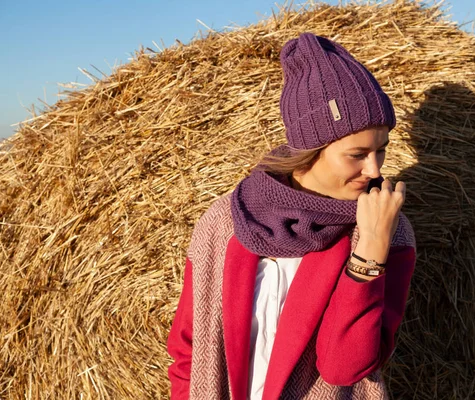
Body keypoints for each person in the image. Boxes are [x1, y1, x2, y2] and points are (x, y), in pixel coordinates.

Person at [166, 32, 417, 400]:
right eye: (357, 154)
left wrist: (372, 250)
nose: (375, 169)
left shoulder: (386, 229)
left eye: (381, 150)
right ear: (311, 147)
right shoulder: (227, 221)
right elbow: (188, 346)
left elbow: (345, 367)